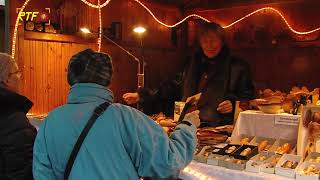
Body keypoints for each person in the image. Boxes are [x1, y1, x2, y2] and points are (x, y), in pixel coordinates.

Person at [33, 49, 200, 180]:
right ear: (108, 79)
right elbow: (168, 163)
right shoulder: (126, 118)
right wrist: (187, 126)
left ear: (71, 77)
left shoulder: (51, 121)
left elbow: (42, 174)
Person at [123, 22, 255, 127]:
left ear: (222, 41)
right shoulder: (192, 64)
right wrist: (142, 95)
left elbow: (248, 98)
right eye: (205, 41)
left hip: (221, 126)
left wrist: (233, 103)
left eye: (214, 40)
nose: (209, 45)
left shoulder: (238, 66)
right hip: (191, 125)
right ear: (200, 43)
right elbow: (171, 86)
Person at [0, 53, 37, 180]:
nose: (20, 77)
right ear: (6, 79)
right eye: (17, 72)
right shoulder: (13, 119)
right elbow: (22, 171)